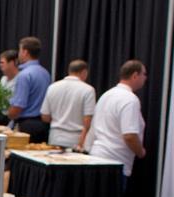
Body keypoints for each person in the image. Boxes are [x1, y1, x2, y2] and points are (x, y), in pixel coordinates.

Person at [85, 60, 147, 189]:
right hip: (115, 162)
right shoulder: (130, 100)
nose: (145, 78)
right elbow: (129, 135)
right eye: (144, 74)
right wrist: (140, 151)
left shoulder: (106, 95)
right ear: (135, 75)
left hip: (97, 156)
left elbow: (93, 126)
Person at [41, 60, 96, 149]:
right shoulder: (88, 90)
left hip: (55, 137)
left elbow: (45, 116)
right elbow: (87, 122)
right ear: (84, 72)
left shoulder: (52, 87)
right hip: (76, 139)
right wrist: (81, 143)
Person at [7, 36, 52, 142]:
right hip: (42, 124)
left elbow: (19, 105)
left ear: (25, 52)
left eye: (20, 50)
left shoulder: (24, 75)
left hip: (27, 126)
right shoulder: (45, 73)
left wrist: (9, 115)